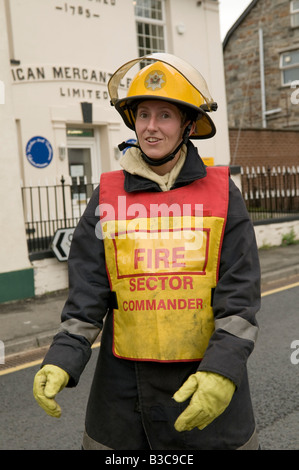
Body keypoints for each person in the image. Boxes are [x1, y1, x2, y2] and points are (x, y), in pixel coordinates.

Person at [33, 53, 261, 450]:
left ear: (188, 124)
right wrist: (62, 356)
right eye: (142, 115)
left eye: (165, 116)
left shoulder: (223, 194)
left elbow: (239, 297)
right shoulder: (107, 195)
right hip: (123, 393)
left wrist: (223, 372)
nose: (151, 128)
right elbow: (88, 292)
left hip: (202, 377)